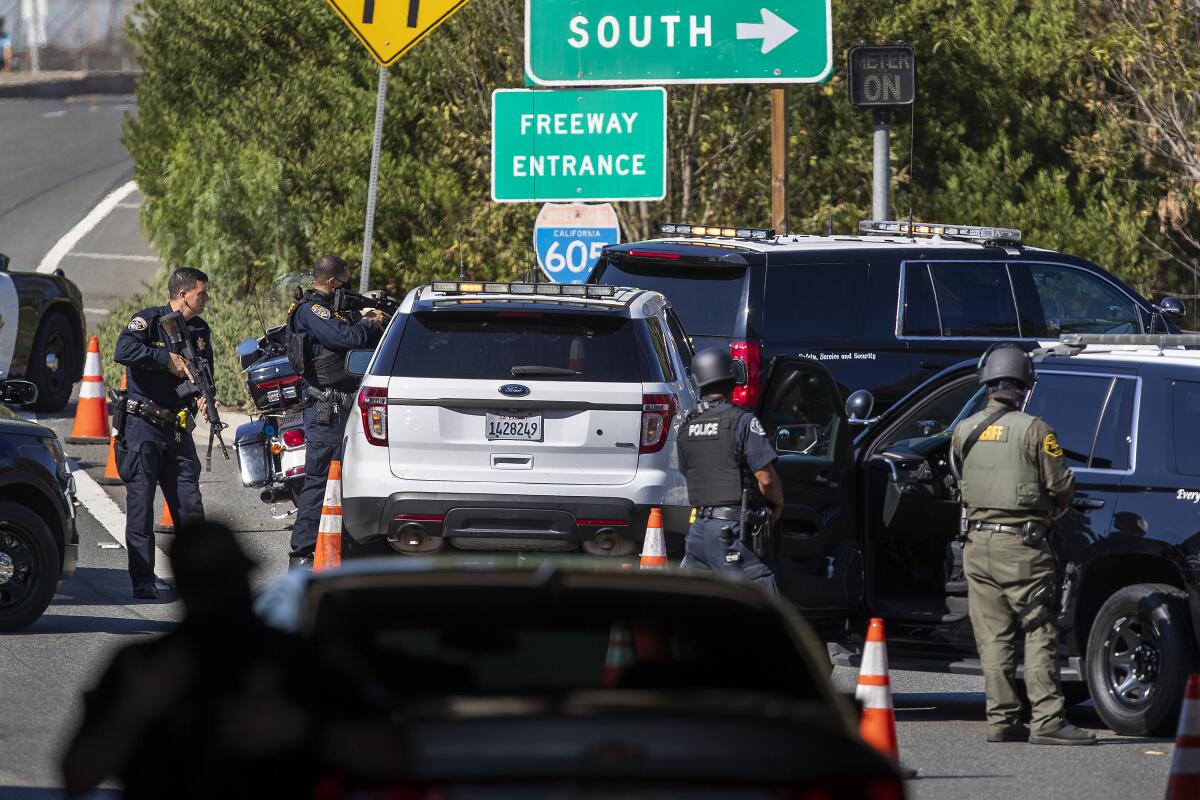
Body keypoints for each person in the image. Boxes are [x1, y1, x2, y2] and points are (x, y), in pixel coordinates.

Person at [61, 521, 407, 799]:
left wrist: (301, 728)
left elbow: (391, 754)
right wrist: (133, 711)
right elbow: (77, 776)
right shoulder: (149, 670)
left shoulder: (296, 660)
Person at [951, 344, 1096, 745]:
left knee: (992, 636)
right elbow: (1061, 484)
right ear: (1024, 387)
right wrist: (1052, 514)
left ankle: (1001, 721)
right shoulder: (1036, 430)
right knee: (1037, 630)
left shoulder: (963, 430)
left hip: (976, 544)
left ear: (987, 384)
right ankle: (1048, 721)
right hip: (1022, 548)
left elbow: (958, 477)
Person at [114, 267, 212, 599]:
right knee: (141, 507)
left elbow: (202, 371)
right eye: (202, 293)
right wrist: (163, 359)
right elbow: (123, 351)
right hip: (142, 426)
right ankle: (143, 580)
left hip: (177, 428)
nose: (206, 298)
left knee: (190, 507)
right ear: (183, 294)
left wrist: (202, 396)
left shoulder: (200, 329)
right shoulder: (149, 321)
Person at [285, 255, 385, 568]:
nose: (348, 289)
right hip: (326, 408)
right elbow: (346, 338)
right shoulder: (313, 310)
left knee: (350, 478)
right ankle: (302, 552)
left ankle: (348, 546)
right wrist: (369, 322)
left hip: (345, 404)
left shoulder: (334, 310)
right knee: (319, 480)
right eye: (345, 283)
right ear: (331, 282)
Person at [675, 347, 784, 593]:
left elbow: (688, 472)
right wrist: (777, 504)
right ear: (731, 378)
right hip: (732, 533)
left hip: (698, 532)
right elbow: (765, 479)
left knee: (687, 601)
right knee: (762, 600)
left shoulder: (687, 424)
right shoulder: (743, 421)